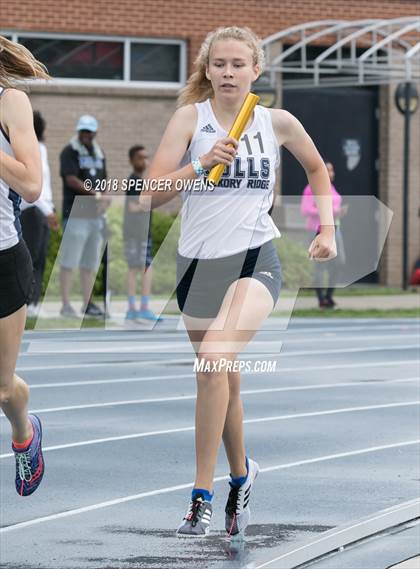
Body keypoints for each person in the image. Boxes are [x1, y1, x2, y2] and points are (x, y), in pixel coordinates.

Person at [140, 26, 336, 538]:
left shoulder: (277, 122)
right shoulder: (192, 118)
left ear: (256, 69)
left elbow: (317, 169)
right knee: (222, 379)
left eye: (237, 64)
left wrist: (328, 230)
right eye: (219, 64)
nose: (228, 72)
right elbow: (149, 194)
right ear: (207, 70)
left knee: (213, 362)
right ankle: (241, 476)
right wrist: (199, 164)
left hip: (255, 259)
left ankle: (199, 498)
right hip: (197, 266)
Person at [0, 35, 48, 496]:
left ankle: (23, 432)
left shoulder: (10, 100)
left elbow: (32, 185)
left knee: (2, 389)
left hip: (3, 257)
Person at [59, 115, 110, 318]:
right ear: (78, 131)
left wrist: (105, 196)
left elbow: (104, 179)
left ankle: (88, 303)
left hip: (95, 216)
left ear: (95, 132)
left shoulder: (99, 152)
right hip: (75, 214)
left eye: (89, 131)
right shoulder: (69, 151)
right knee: (69, 260)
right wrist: (96, 195)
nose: (86, 135)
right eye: (83, 131)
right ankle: (65, 304)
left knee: (90, 262)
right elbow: (71, 180)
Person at [20, 110, 59, 318]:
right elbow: (37, 183)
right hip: (33, 209)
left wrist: (50, 209)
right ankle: (26, 303)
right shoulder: (33, 147)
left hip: (43, 209)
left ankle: (34, 303)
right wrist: (47, 210)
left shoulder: (40, 147)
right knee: (32, 258)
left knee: (41, 258)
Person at [123, 145, 162, 322]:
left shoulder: (141, 181)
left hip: (143, 233)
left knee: (144, 267)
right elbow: (132, 206)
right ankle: (135, 308)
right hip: (134, 233)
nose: (144, 161)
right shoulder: (134, 181)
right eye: (140, 157)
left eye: (146, 157)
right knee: (137, 268)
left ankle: (142, 307)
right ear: (132, 161)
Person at [301, 161, 347, 308]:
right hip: (316, 230)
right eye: (327, 170)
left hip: (335, 228)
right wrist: (332, 212)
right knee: (319, 266)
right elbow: (306, 210)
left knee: (340, 262)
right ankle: (321, 299)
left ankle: (329, 295)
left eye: (332, 170)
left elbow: (334, 207)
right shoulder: (310, 189)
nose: (331, 173)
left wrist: (338, 212)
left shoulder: (332, 189)